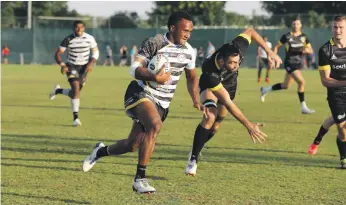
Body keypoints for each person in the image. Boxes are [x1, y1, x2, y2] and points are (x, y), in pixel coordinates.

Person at [82, 11, 203, 193]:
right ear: (172, 28)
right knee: (154, 125)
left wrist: (196, 100)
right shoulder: (154, 43)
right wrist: (154, 76)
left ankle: (100, 151)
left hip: (163, 104)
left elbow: (192, 77)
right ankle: (140, 179)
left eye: (190, 31)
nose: (188, 34)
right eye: (184, 30)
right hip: (140, 92)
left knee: (133, 144)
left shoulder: (188, 52)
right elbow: (134, 68)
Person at [185, 28, 282, 176]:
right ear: (221, 60)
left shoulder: (237, 47)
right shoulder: (210, 71)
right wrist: (248, 125)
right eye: (232, 63)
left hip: (230, 85)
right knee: (211, 115)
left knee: (216, 126)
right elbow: (229, 104)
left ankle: (196, 147)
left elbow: (251, 31)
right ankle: (193, 158)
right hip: (211, 85)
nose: (236, 66)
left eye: (237, 62)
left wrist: (269, 51)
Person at [260, 19, 315, 114]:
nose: (295, 25)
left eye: (297, 24)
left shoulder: (304, 37)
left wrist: (302, 50)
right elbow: (277, 47)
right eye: (294, 24)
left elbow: (310, 50)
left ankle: (265, 89)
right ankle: (303, 107)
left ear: (301, 25)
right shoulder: (287, 36)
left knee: (285, 86)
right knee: (301, 82)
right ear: (292, 25)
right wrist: (273, 56)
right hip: (289, 63)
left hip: (298, 63)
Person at [49, 20, 99, 126]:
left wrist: (90, 64)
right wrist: (63, 65)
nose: (79, 29)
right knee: (76, 90)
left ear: (84, 28)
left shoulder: (89, 38)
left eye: (81, 27)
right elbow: (58, 53)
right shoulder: (68, 39)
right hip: (71, 66)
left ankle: (57, 91)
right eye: (76, 27)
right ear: (73, 28)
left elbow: (96, 52)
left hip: (84, 68)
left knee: (74, 93)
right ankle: (76, 118)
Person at [316, 15, 346, 168]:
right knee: (343, 130)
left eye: (341, 27)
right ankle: (344, 158)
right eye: (335, 27)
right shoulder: (325, 50)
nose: (338, 30)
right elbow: (325, 80)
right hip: (336, 94)